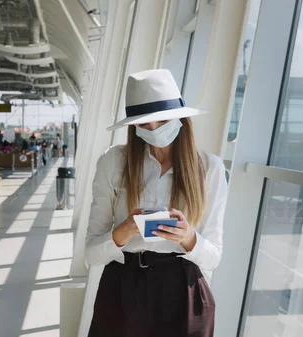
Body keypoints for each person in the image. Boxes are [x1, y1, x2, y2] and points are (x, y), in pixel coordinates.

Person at [86, 69, 227, 337]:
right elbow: (91, 253)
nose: (153, 130)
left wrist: (188, 238)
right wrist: (122, 232)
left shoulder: (209, 168)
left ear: (179, 119)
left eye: (162, 121)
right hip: (123, 286)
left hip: (183, 291)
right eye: (143, 124)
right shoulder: (113, 163)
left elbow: (214, 257)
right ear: (133, 126)